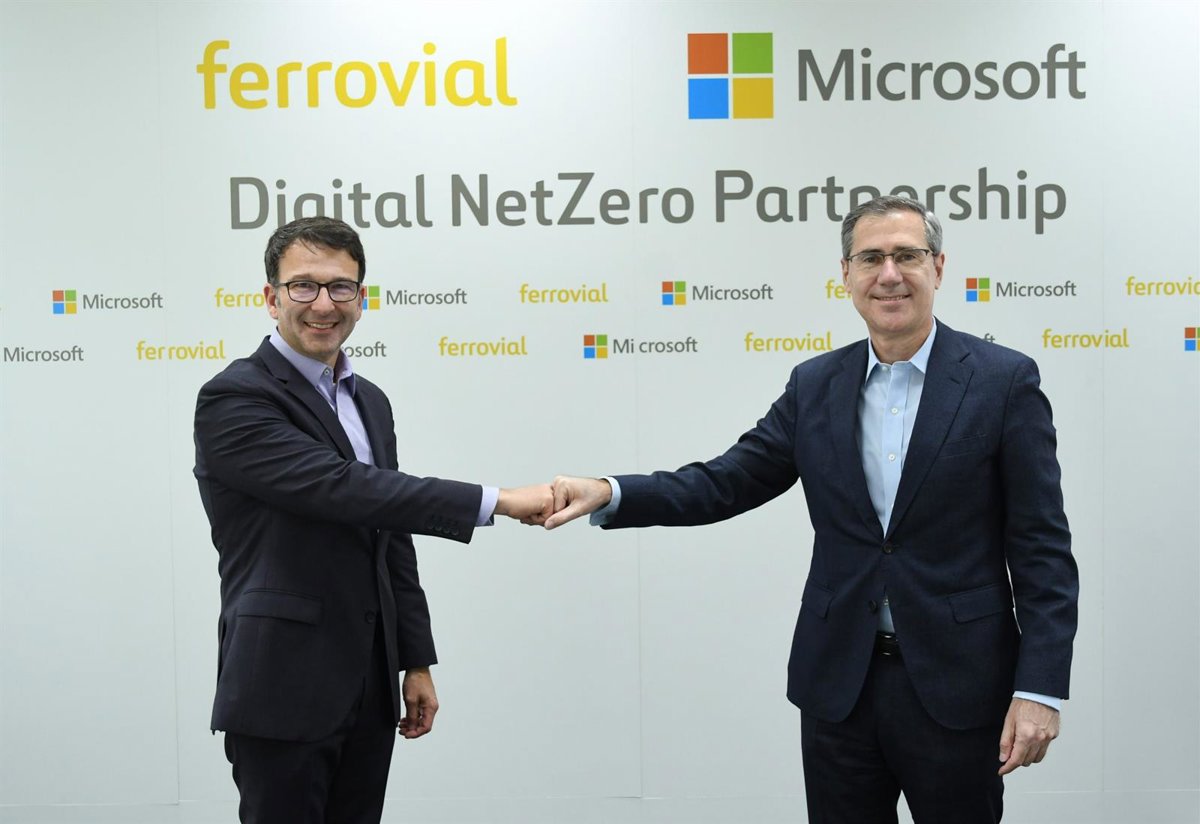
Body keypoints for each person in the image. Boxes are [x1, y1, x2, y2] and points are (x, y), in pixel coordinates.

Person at [545, 196, 1078, 824]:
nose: (889, 274)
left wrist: (1039, 688)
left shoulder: (1003, 381)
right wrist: (610, 491)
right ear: (846, 274)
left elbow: (1042, 549)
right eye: (871, 258)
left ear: (938, 267)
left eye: (907, 256)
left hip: (960, 685)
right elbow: (725, 482)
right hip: (839, 686)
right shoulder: (815, 384)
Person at [193, 216, 552, 824]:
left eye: (341, 287)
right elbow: (344, 490)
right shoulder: (236, 398)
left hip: (368, 682)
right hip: (282, 683)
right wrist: (496, 500)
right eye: (303, 285)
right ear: (271, 298)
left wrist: (414, 659)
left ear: (361, 298)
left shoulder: (370, 400)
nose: (323, 304)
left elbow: (390, 534)